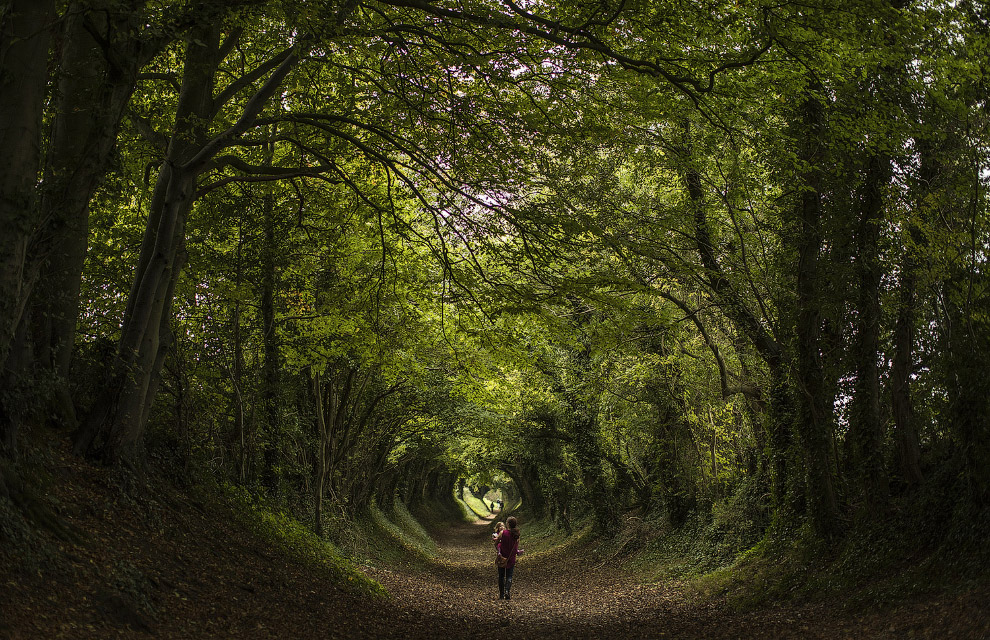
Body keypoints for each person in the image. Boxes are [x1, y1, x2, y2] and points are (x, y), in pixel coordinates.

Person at [495, 516, 524, 600]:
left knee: (501, 576)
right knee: (509, 576)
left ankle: (501, 595)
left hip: (502, 557)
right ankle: (507, 591)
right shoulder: (517, 535)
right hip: (511, 558)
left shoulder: (503, 533)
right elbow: (515, 548)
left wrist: (499, 550)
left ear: (508, 524)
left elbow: (495, 544)